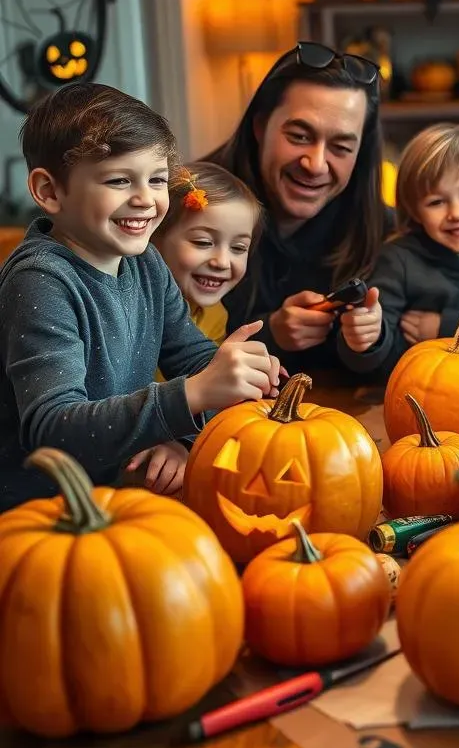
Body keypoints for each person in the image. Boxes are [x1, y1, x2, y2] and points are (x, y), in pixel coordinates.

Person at [0, 83, 280, 510]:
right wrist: (193, 394)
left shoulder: (145, 262)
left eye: (157, 180)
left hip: (117, 490)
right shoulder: (41, 281)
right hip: (40, 512)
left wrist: (239, 376)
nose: (146, 199)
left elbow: (190, 358)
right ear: (50, 192)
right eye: (118, 180)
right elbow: (53, 429)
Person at [204, 41, 387, 373]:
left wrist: (372, 337)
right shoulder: (192, 205)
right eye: (300, 136)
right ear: (260, 127)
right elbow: (167, 346)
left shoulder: (382, 226)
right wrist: (269, 334)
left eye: (341, 146)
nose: (315, 164)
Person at [338, 123, 459, 378]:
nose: (456, 213)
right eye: (436, 202)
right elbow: (379, 353)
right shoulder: (398, 260)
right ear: (415, 211)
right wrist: (368, 339)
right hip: (422, 392)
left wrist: (443, 328)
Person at [153, 162, 263, 346]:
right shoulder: (133, 314)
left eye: (238, 248)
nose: (222, 262)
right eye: (203, 242)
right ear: (153, 238)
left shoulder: (216, 315)